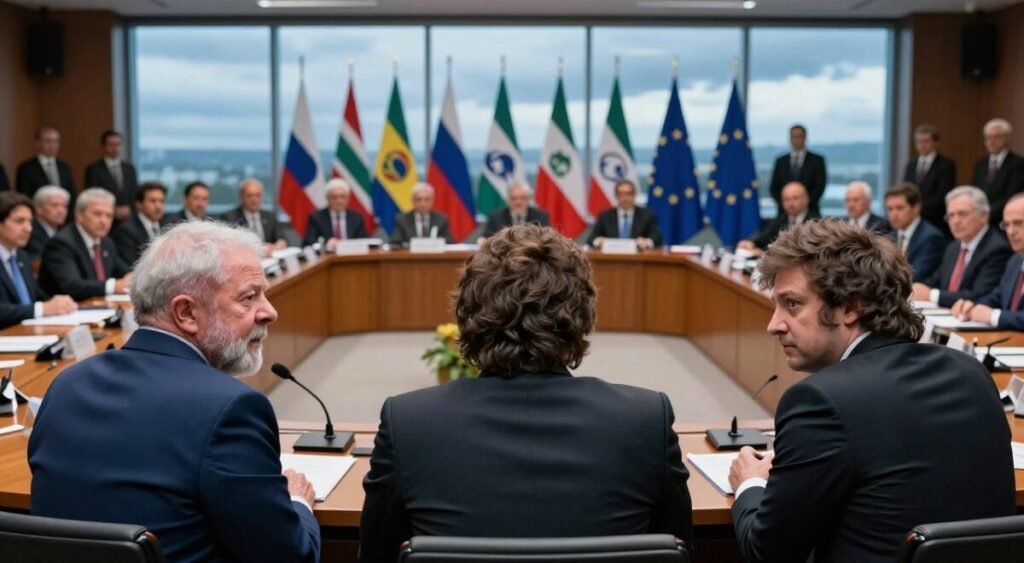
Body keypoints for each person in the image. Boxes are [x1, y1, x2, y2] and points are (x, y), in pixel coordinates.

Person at [360, 225, 693, 563]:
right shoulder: (646, 419)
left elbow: (376, 555)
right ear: (581, 316)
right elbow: (681, 546)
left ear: (468, 314)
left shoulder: (409, 423)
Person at [29, 221, 321, 563]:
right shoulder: (230, 409)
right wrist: (297, 503)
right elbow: (290, 557)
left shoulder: (67, 384)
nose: (269, 311)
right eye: (249, 297)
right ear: (186, 313)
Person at [728, 219, 1014, 563]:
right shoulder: (971, 372)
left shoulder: (821, 400)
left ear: (851, 307)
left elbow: (767, 553)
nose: (773, 325)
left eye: (792, 304)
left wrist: (750, 484)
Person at [912, 186, 1010, 308]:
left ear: (984, 216)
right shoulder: (953, 247)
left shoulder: (997, 249)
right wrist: (916, 288)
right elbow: (936, 280)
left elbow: (980, 294)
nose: (955, 221)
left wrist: (932, 295)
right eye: (951, 216)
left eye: (962, 214)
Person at [38, 188, 131, 300]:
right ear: (79, 215)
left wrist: (132, 277)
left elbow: (123, 271)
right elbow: (72, 285)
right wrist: (113, 286)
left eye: (109, 216)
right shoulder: (62, 243)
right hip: (67, 311)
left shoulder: (106, 242)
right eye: (97, 214)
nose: (104, 221)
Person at [0, 192, 77, 328]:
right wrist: (42, 308)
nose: (28, 229)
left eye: (30, 222)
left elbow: (34, 294)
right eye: (19, 221)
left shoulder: (21, 256)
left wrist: (57, 302)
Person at [952, 193, 1024, 329]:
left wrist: (994, 316)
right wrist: (972, 307)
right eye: (1006, 225)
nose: (1011, 231)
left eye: (1018, 223)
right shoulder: (1015, 260)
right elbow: (998, 296)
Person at [885, 182, 945, 283]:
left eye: (899, 208)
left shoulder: (931, 237)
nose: (893, 214)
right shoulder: (890, 237)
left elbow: (915, 275)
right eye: (890, 209)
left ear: (916, 208)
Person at [902, 124, 956, 236]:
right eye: (918, 141)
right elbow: (905, 191)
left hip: (935, 220)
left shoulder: (946, 165)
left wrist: (917, 210)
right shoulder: (911, 165)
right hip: (912, 221)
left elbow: (943, 194)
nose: (922, 145)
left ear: (935, 143)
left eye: (926, 141)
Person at [971, 118, 1024, 227]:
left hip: (1002, 223)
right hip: (979, 221)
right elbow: (974, 192)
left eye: (996, 137)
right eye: (988, 138)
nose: (991, 141)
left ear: (1007, 139)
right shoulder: (980, 164)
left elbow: (1011, 196)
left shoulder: (1018, 164)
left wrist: (985, 214)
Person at [739, 181, 819, 253]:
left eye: (795, 198)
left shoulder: (816, 223)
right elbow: (764, 237)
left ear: (806, 199)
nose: (790, 204)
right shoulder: (780, 220)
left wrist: (765, 255)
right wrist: (751, 243)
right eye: (786, 199)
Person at [586, 179, 661, 249]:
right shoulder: (605, 216)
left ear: (634, 195)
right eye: (621, 194)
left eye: (628, 193)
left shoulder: (646, 215)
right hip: (612, 258)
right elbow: (591, 239)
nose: (625, 197)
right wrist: (598, 241)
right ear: (616, 196)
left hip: (638, 259)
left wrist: (647, 242)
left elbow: (657, 238)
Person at [768, 124, 827, 214]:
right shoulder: (781, 161)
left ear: (805, 138)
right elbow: (774, 188)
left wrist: (802, 204)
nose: (796, 140)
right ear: (790, 138)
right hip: (784, 214)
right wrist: (787, 204)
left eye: (799, 136)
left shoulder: (817, 160)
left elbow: (820, 187)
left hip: (810, 213)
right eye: (793, 137)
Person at [84, 130, 139, 222]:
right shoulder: (93, 169)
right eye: (111, 144)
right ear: (103, 146)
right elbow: (92, 195)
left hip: (128, 220)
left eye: (118, 144)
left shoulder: (130, 169)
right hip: (104, 218)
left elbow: (135, 193)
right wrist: (113, 210)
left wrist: (130, 208)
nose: (115, 148)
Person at [220, 179, 287, 253]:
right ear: (241, 197)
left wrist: (278, 245)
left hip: (269, 259)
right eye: (249, 196)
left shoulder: (270, 216)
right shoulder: (229, 217)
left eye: (258, 195)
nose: (254, 199)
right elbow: (228, 245)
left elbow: (282, 239)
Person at [112, 181, 167, 265]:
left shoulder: (167, 226)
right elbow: (132, 266)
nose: (158, 206)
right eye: (153, 201)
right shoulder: (126, 231)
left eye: (161, 201)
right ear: (139, 204)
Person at [303, 178, 368, 249]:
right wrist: (326, 244)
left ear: (348, 198)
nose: (339, 201)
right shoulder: (316, 217)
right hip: (327, 257)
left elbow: (364, 241)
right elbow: (308, 243)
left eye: (342, 197)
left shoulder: (356, 217)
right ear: (327, 198)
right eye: (334, 197)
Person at [15, 126, 76, 198]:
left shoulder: (64, 167)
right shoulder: (26, 168)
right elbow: (24, 196)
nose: (53, 145)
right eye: (48, 141)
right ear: (38, 143)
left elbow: (72, 194)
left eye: (56, 141)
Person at [480, 183, 550, 240]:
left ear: (528, 199)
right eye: (514, 198)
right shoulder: (496, 216)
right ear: (508, 200)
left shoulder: (541, 215)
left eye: (522, 198)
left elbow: (545, 237)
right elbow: (487, 237)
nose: (518, 202)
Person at [25, 185, 70, 260]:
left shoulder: (65, 232)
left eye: (64, 206)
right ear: (39, 208)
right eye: (55, 205)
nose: (61, 211)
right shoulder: (30, 231)